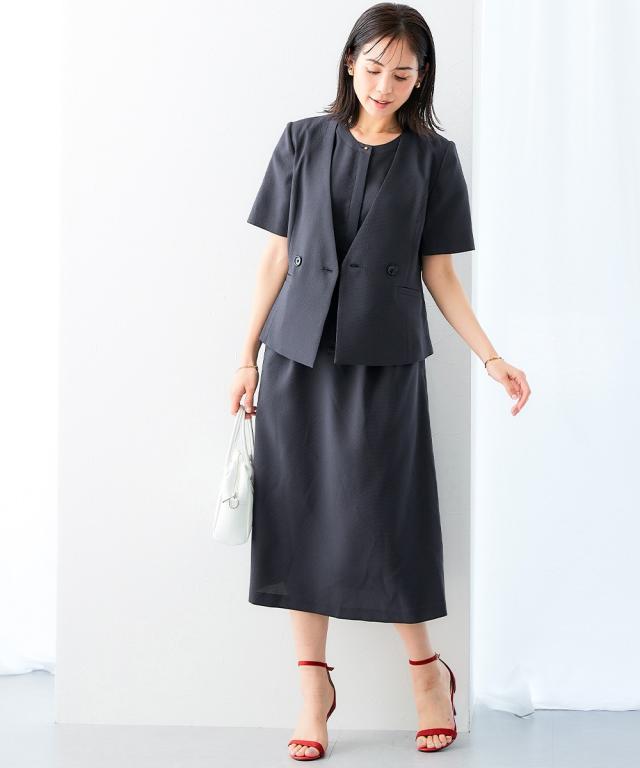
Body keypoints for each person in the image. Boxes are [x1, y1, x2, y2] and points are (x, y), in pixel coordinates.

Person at [230, 3, 531, 761]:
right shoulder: (301, 140)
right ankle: (313, 692)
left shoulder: (434, 159)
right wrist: (245, 357)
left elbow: (441, 274)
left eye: (402, 72)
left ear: (421, 77)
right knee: (296, 516)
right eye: (373, 68)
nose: (384, 85)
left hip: (385, 360)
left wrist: (491, 356)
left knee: (388, 516)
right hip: (298, 357)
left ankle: (428, 675)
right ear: (349, 63)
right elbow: (275, 258)